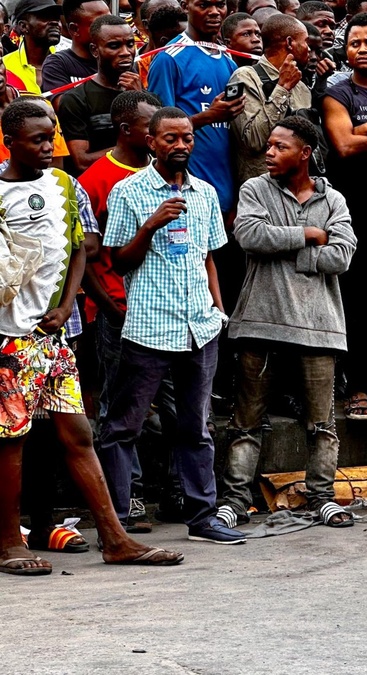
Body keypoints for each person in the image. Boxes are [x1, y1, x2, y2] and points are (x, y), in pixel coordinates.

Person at [0, 99, 184, 575]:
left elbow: (83, 247)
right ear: (10, 142)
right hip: (7, 339)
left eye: (52, 136)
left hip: (52, 338)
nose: (48, 146)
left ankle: (115, 537)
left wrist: (66, 305)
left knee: (78, 433)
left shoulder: (63, 185)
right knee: (12, 441)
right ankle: (8, 543)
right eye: (38, 139)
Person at [98, 106, 246, 545]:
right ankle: (118, 522)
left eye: (186, 138)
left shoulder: (204, 193)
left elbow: (209, 257)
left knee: (196, 428)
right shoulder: (130, 191)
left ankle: (203, 518)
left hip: (200, 327)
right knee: (125, 426)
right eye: (170, 139)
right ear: (152, 141)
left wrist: (218, 312)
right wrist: (150, 225)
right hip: (149, 328)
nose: (180, 145)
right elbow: (118, 260)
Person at [216, 116, 356, 530]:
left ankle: (323, 498)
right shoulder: (254, 188)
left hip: (319, 325)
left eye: (280, 147)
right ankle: (235, 500)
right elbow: (249, 236)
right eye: (269, 146)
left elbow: (342, 256)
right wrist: (310, 235)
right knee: (246, 422)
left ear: (305, 153)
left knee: (322, 424)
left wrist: (297, 247)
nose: (269, 153)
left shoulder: (335, 199)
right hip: (261, 320)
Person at [78, 90, 182, 528]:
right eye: (150, 127)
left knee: (180, 408)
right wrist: (108, 308)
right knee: (122, 411)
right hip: (120, 312)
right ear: (128, 131)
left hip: (171, 310)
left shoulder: (172, 177)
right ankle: (129, 498)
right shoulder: (97, 179)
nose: (162, 136)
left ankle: (182, 493)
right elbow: (87, 258)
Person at [322, 11, 367, 421]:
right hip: (351, 211)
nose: (362, 49)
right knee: (354, 298)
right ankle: (357, 387)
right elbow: (344, 144)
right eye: (354, 43)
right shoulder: (338, 94)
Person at [147, 0, 243, 216]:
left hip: (228, 191)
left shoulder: (228, 60)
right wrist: (208, 116)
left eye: (220, 5)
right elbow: (157, 129)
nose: (214, 12)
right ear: (185, 5)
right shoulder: (169, 58)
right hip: (187, 194)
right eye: (204, 5)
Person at [229, 13, 311, 185]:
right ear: (289, 43)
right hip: (262, 190)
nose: (309, 49)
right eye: (305, 42)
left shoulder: (302, 87)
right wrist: (282, 89)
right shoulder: (245, 77)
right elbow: (252, 140)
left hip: (299, 190)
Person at [57, 15, 141, 174]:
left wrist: (138, 102)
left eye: (130, 44)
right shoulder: (75, 99)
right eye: (114, 46)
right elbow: (82, 162)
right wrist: (132, 147)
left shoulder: (145, 96)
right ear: (95, 50)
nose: (126, 52)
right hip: (99, 189)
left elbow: (158, 147)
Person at [41, 0, 110, 93]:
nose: (110, 27)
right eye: (99, 24)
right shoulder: (57, 65)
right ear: (75, 29)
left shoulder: (119, 59)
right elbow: (63, 106)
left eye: (110, 20)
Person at [4, 0, 64, 95]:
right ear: (23, 26)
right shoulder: (5, 67)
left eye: (57, 18)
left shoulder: (69, 63)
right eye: (45, 17)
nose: (55, 23)